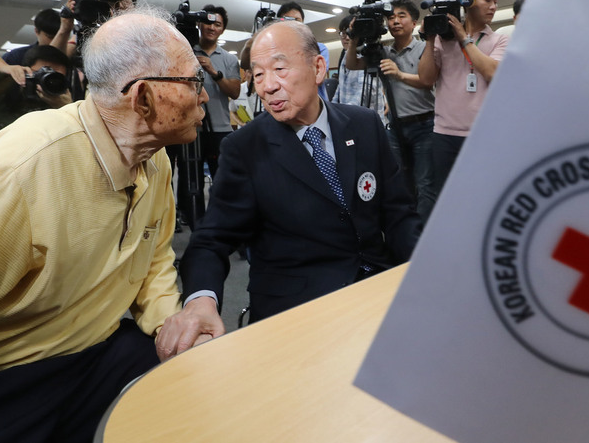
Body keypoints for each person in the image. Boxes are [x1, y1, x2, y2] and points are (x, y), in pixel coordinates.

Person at [0, 6, 209, 443]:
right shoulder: (23, 168)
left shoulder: (157, 160)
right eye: (194, 83)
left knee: (200, 407)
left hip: (103, 348)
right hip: (8, 374)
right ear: (144, 98)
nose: (205, 96)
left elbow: (154, 260)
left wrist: (171, 321)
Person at [156, 20, 421, 358]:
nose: (267, 86)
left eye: (279, 69)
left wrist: (425, 270)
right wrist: (200, 301)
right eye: (258, 74)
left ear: (318, 67)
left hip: (379, 293)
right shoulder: (244, 148)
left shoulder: (364, 125)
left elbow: (399, 215)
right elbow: (211, 240)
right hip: (301, 313)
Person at [345, 0, 436, 223]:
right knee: (399, 180)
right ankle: (406, 227)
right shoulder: (383, 52)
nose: (395, 21)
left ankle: (422, 237)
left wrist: (399, 74)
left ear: (414, 22)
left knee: (425, 184)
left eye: (402, 16)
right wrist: (354, 39)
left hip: (425, 125)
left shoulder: (425, 47)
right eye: (391, 17)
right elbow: (352, 65)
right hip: (395, 126)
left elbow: (428, 81)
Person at [418, 0, 509, 195]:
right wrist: (430, 40)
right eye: (488, 0)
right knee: (447, 197)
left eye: (496, 1)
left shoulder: (500, 39)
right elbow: (426, 79)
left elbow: (491, 73)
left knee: (482, 195)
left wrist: (463, 38)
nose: (494, 6)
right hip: (443, 134)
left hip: (482, 135)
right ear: (468, 0)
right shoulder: (441, 40)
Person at [180, 4, 241, 229]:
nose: (212, 28)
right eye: (208, 22)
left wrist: (214, 72)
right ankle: (196, 223)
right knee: (190, 180)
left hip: (220, 128)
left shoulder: (229, 59)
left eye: (217, 24)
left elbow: (234, 91)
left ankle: (224, 222)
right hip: (191, 128)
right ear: (199, 23)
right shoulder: (184, 51)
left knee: (223, 180)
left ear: (223, 29)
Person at [334, 13, 385, 120]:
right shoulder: (345, 56)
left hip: (367, 118)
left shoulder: (365, 54)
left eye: (349, 33)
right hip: (349, 116)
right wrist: (332, 108)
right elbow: (340, 87)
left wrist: (343, 110)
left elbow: (365, 90)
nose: (345, 37)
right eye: (342, 33)